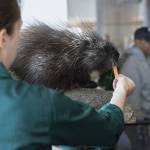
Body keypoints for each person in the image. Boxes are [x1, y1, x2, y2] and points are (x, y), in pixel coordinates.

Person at [0, 0, 135, 149]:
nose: (20, 37)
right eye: (19, 29)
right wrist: (121, 90)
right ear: (3, 38)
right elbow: (107, 130)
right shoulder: (39, 102)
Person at [121, 27, 150, 150]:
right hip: (139, 121)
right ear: (137, 41)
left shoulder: (144, 60)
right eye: (148, 40)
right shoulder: (132, 63)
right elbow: (131, 97)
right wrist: (135, 122)